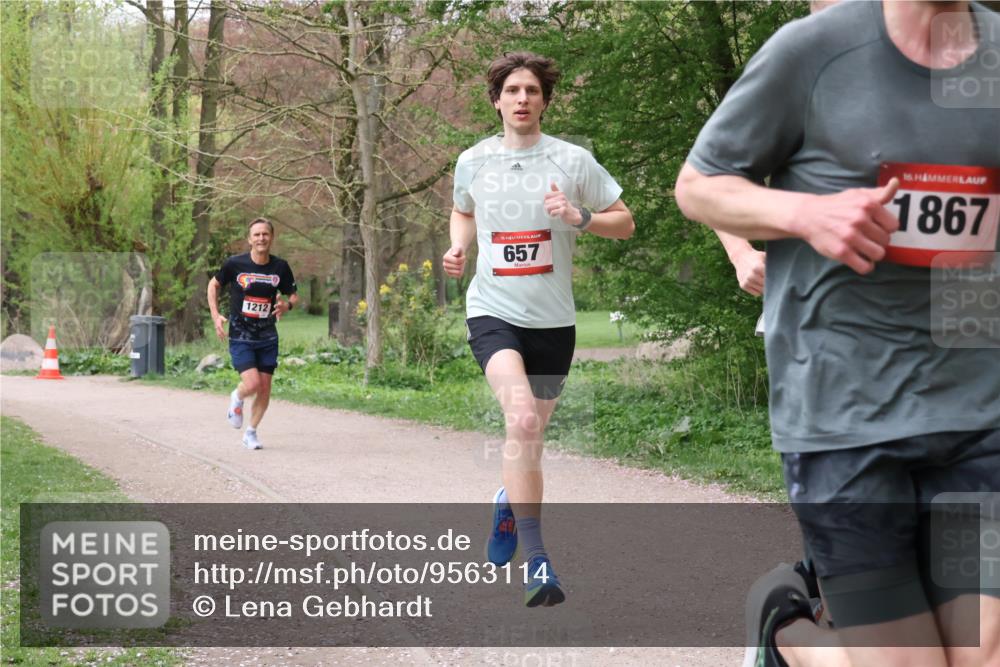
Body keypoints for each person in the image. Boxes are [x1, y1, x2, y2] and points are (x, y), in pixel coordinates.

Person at [675, 1, 999, 666]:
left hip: (979, 414)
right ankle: (788, 635)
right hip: (845, 421)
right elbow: (699, 186)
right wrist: (804, 212)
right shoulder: (814, 51)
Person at [443, 51, 634, 607]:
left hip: (554, 322)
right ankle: (538, 561)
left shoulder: (573, 162)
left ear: (545, 100)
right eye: (512, 90)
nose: (522, 99)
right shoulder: (473, 161)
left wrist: (582, 218)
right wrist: (458, 246)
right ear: (496, 100)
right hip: (492, 311)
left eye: (531, 90)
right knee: (521, 417)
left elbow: (626, 222)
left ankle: (508, 494)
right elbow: (462, 210)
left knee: (527, 441)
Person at [207, 218, 298, 450]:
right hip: (241, 335)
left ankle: (251, 432)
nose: (261, 238)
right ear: (249, 239)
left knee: (265, 388)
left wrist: (287, 306)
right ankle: (237, 397)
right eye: (256, 235)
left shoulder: (280, 267)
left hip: (267, 336)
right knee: (253, 383)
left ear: (271, 238)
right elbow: (213, 285)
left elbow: (293, 295)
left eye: (265, 234)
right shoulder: (234, 264)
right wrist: (216, 315)